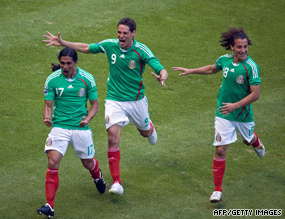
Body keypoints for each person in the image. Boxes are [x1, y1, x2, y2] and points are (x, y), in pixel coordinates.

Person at [43, 18, 168, 195]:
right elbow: (87, 47)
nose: (121, 36)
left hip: (136, 101)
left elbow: (159, 66)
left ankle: (149, 128)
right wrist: (63, 42)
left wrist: (162, 76)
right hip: (114, 100)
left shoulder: (141, 50)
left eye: (125, 33)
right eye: (119, 32)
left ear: (133, 33)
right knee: (112, 137)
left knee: (145, 133)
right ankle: (116, 182)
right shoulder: (110, 45)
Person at [173, 27, 265, 203]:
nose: (243, 50)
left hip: (243, 115)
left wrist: (235, 106)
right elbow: (211, 69)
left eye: (245, 47)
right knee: (221, 149)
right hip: (223, 113)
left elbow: (255, 94)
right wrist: (191, 70)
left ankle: (255, 141)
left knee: (247, 140)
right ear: (231, 47)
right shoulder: (225, 60)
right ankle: (217, 190)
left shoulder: (251, 67)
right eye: (239, 47)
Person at [37, 47, 106, 218]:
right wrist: (47, 117)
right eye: (62, 63)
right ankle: (49, 206)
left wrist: (88, 119)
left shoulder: (87, 78)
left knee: (87, 163)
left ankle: (97, 174)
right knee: (53, 161)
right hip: (59, 126)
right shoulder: (53, 79)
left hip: (80, 128)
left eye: (68, 63)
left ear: (76, 62)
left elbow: (95, 104)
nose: (65, 67)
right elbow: (48, 105)